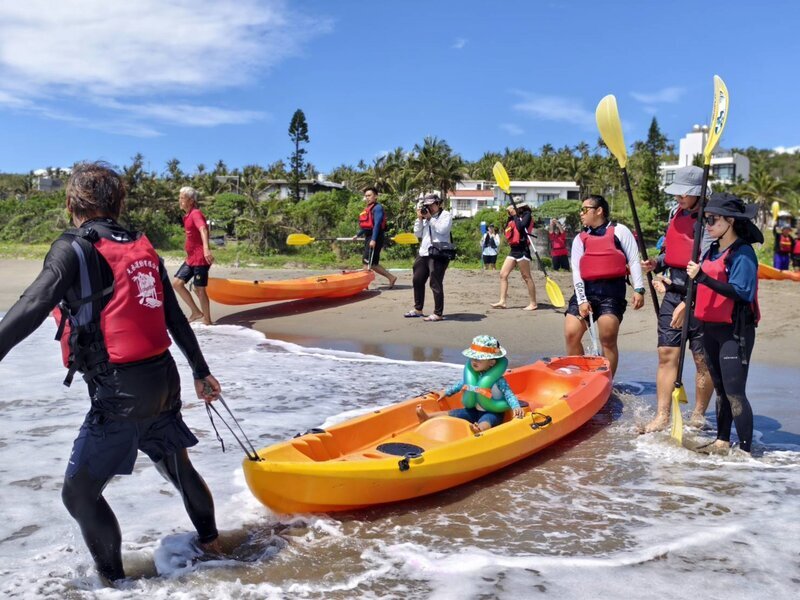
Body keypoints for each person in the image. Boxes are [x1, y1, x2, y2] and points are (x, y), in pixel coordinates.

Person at [0, 162, 222, 583]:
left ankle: (114, 586)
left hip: (120, 392)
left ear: (71, 203)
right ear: (118, 203)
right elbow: (173, 316)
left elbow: (32, 304)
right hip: (163, 379)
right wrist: (201, 371)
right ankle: (213, 545)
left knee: (79, 494)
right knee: (176, 467)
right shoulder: (142, 245)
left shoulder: (73, 248)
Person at [686, 193, 763, 454]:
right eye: (705, 219)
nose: (706, 224)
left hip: (735, 332)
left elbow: (742, 292)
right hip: (711, 329)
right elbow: (701, 286)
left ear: (730, 221)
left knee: (734, 393)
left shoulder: (742, 253)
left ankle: (745, 452)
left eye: (712, 219)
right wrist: (669, 284)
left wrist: (703, 278)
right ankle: (721, 441)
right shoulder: (712, 250)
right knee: (720, 391)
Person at [641, 166, 713, 432]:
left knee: (701, 359)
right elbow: (672, 251)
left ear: (697, 193)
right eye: (677, 193)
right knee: (666, 354)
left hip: (702, 295)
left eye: (684, 194)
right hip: (674, 292)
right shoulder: (675, 214)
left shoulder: (709, 220)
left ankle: (698, 413)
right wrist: (656, 263)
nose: (678, 198)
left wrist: (690, 302)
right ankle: (662, 416)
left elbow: (710, 264)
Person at [564, 195, 645, 376]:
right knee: (571, 333)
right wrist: (582, 300)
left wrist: (639, 289)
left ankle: (606, 380)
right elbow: (576, 271)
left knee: (607, 339)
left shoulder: (620, 231)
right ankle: (581, 377)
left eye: (585, 209)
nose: (581, 213)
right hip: (585, 292)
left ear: (599, 210)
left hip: (611, 294)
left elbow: (633, 260)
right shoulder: (580, 238)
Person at [416, 335, 525, 433]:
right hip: (473, 410)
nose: (474, 362)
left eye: (479, 359)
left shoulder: (497, 380)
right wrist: (446, 392)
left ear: (492, 362)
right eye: (473, 358)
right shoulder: (474, 376)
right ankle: (428, 417)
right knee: (454, 413)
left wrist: (515, 406)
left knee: (488, 420)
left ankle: (480, 429)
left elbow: (508, 394)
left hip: (492, 412)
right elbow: (460, 384)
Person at [404, 194, 453, 322]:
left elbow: (442, 230)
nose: (429, 207)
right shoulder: (425, 217)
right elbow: (417, 233)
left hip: (438, 253)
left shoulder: (445, 215)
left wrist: (430, 218)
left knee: (435, 283)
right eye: (427, 205)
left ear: (438, 203)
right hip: (424, 252)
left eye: (431, 204)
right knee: (417, 280)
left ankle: (438, 313)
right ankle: (418, 309)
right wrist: (420, 219)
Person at [172, 186, 214, 325]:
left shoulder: (196, 213)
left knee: (199, 289)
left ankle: (207, 320)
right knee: (177, 284)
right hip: (191, 259)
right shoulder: (188, 215)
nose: (180, 201)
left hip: (201, 259)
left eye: (182, 198)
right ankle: (196, 312)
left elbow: (203, 229)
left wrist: (206, 249)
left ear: (190, 200)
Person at [491, 202, 538, 310]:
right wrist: (510, 215)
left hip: (522, 250)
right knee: (503, 274)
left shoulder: (527, 215)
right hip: (513, 250)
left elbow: (521, 227)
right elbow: (508, 229)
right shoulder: (514, 216)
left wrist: (515, 215)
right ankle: (502, 301)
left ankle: (533, 303)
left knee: (526, 277)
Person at [356, 187, 397, 287]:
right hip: (370, 236)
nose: (367, 198)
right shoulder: (368, 208)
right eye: (366, 196)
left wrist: (373, 239)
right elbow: (368, 226)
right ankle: (391, 277)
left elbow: (377, 224)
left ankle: (363, 285)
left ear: (376, 196)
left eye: (369, 195)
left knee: (367, 263)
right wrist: (358, 234)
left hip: (376, 237)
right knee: (372, 263)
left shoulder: (377, 208)